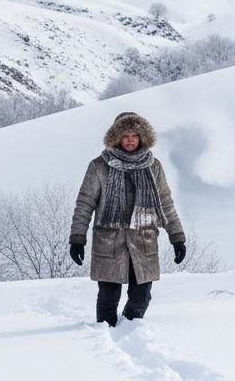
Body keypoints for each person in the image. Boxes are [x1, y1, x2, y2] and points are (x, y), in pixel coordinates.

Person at [69, 111, 186, 327]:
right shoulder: (99, 166)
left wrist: (177, 236)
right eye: (125, 135)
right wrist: (77, 238)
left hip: (143, 241)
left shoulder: (153, 166)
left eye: (134, 134)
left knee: (141, 296)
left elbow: (165, 203)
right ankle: (105, 339)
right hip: (109, 243)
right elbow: (85, 203)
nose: (130, 139)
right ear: (116, 137)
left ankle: (130, 332)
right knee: (108, 298)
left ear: (143, 137)